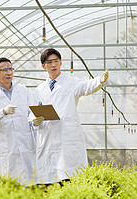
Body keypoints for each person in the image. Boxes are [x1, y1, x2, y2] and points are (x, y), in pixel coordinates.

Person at [31, 48, 109, 185]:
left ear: (61, 63)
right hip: (47, 140)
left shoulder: (71, 83)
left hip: (66, 139)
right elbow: (32, 112)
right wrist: (34, 120)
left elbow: (86, 87)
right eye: (50, 62)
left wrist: (99, 81)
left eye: (56, 61)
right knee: (48, 184)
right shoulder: (39, 89)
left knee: (67, 179)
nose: (54, 65)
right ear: (43, 66)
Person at [0, 57, 39, 185]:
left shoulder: (23, 90)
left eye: (11, 69)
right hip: (6, 145)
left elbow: (31, 111)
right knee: (10, 183)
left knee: (31, 182)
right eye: (4, 70)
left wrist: (34, 120)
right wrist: (3, 112)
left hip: (26, 143)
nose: (9, 73)